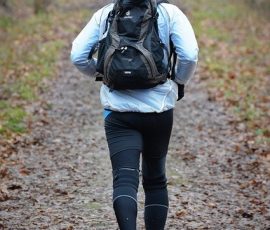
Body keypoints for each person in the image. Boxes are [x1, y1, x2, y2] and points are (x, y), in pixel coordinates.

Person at [70, 0, 198, 229]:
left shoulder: (106, 13)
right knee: (156, 179)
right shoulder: (169, 13)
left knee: (124, 179)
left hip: (118, 112)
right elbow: (189, 55)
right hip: (158, 110)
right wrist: (178, 82)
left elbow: (78, 55)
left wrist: (102, 75)